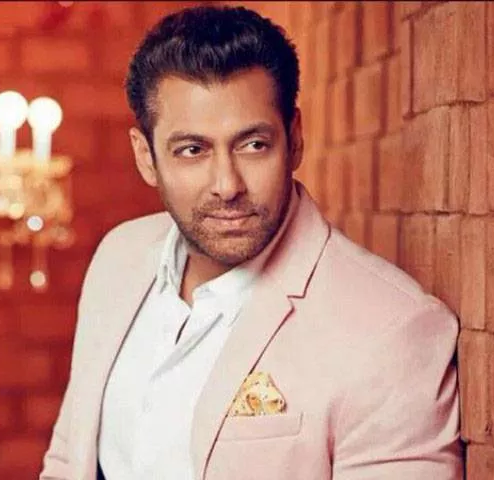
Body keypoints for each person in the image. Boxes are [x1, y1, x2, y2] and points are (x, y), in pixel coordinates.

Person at [40, 5, 463, 480]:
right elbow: (68, 459)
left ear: (295, 139)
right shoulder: (118, 257)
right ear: (146, 157)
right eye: (192, 150)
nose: (227, 185)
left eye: (253, 145)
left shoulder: (391, 329)